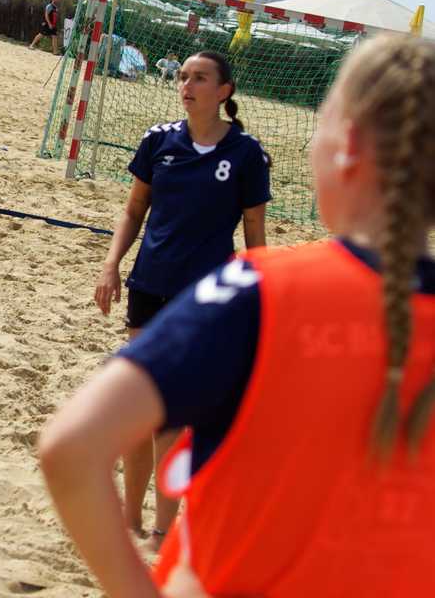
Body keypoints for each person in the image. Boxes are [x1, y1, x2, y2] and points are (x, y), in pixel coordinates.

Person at [38, 33, 435, 598]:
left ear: (346, 145)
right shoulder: (168, 152)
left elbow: (70, 447)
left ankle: (155, 525)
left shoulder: (258, 292)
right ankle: (140, 516)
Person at [91, 50, 270, 551]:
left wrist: (262, 295)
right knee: (138, 409)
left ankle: (162, 529)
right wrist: (111, 264)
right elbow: (133, 210)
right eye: (183, 77)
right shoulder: (158, 140)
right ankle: (130, 520)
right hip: (150, 285)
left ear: (224, 91)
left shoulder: (246, 153)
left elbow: (255, 233)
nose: (186, 85)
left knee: (170, 413)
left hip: (206, 299)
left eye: (199, 78)